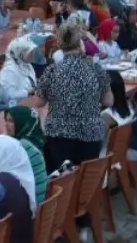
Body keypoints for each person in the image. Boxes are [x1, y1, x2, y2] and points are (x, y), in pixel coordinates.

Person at [33, 23, 113, 170]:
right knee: (86, 180)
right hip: (90, 133)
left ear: (59, 43)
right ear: (80, 43)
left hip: (59, 134)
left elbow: (38, 101)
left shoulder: (52, 70)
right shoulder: (95, 68)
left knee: (62, 180)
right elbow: (108, 101)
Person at [4, 106, 47, 202]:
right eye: (6, 121)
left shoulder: (23, 146)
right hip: (41, 200)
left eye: (11, 121)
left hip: (33, 203)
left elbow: (5, 175)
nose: (6, 125)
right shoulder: (36, 140)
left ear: (23, 123)